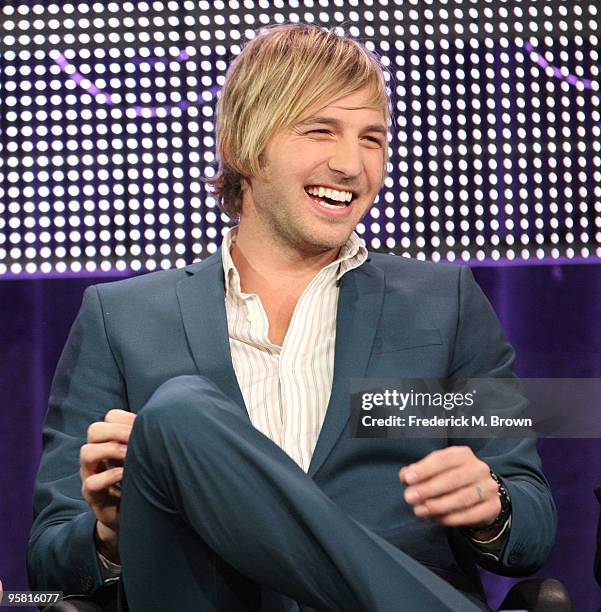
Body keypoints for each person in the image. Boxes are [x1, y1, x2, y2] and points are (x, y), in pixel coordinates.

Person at [28, 24, 556, 611]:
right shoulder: (121, 319)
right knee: (178, 415)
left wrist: (493, 509)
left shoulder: (441, 304)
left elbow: (532, 525)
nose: (352, 165)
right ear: (244, 145)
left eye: (373, 139)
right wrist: (108, 536)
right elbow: (51, 557)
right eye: (320, 131)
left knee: (174, 417)